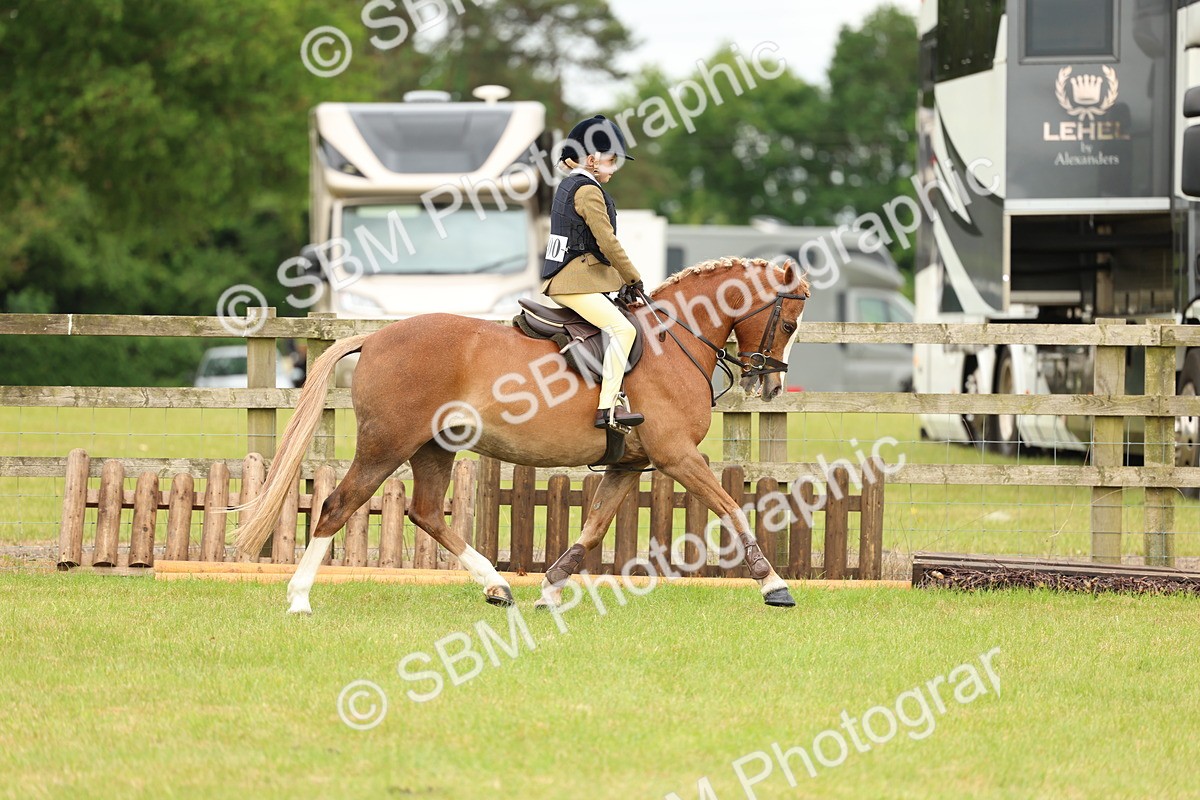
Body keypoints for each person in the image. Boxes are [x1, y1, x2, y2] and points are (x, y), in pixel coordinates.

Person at [540, 114, 645, 430]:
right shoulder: (587, 190)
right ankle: (608, 408)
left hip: (574, 277)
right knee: (623, 330)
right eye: (612, 161)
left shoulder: (572, 184)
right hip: (573, 281)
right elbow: (607, 241)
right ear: (591, 158)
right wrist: (633, 278)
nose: (614, 168)